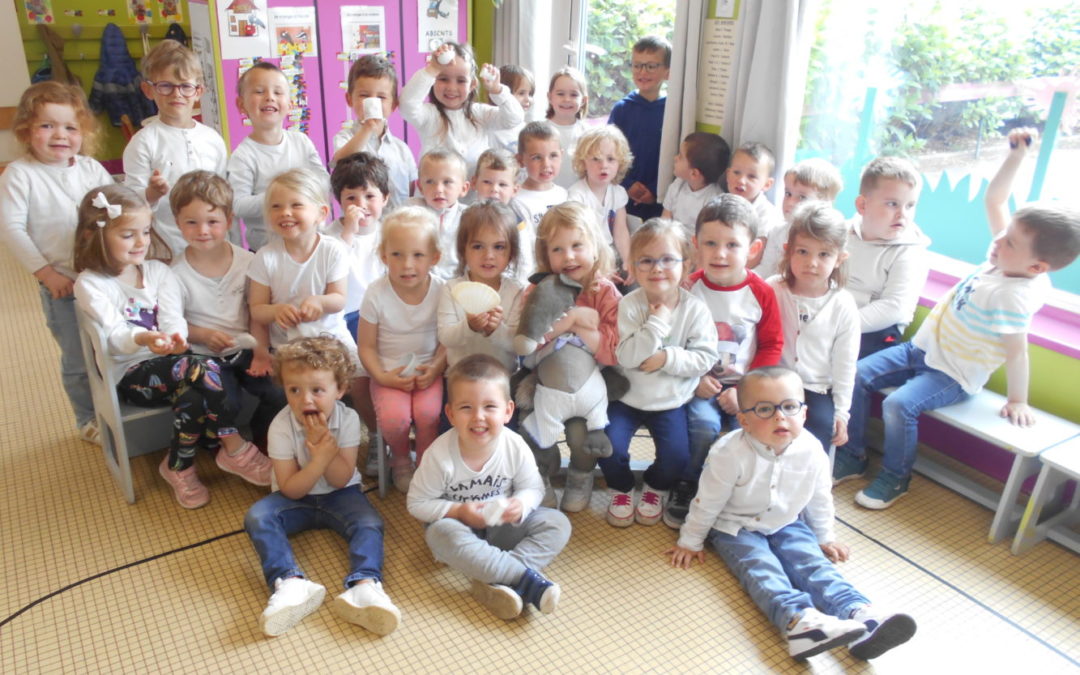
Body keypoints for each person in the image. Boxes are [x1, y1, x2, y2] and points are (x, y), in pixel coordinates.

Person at [834, 129, 1080, 508]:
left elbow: (1018, 352)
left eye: (1010, 241)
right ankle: (852, 454)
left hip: (952, 374)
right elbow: (995, 198)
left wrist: (1018, 400)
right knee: (854, 375)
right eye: (1005, 234)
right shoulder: (1005, 259)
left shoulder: (1015, 294)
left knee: (899, 405)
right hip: (920, 350)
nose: (998, 241)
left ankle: (896, 477)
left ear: (1036, 266)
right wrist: (1015, 158)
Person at [666, 367, 917, 662]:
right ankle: (799, 623)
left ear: (804, 413)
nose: (779, 417)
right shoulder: (728, 452)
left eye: (789, 407)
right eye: (764, 409)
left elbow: (820, 496)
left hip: (787, 522)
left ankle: (861, 615)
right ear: (743, 420)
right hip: (735, 527)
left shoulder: (811, 449)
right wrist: (690, 541)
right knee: (762, 568)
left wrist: (825, 536)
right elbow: (706, 501)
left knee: (811, 563)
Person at [73, 184, 264, 509]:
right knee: (202, 367)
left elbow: (174, 318)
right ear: (97, 235)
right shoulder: (90, 284)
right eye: (128, 235)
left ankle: (178, 467)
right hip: (130, 376)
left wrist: (175, 338)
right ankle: (235, 449)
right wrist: (146, 339)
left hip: (177, 365)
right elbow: (116, 336)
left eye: (145, 232)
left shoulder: (158, 271)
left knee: (193, 391)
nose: (141, 242)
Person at [244, 336, 400, 637]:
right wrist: (319, 458)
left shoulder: (349, 419)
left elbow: (341, 479)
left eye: (317, 390)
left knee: (369, 523)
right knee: (257, 517)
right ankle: (289, 582)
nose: (306, 401)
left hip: (341, 494)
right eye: (294, 390)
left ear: (340, 390)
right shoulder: (280, 425)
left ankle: (365, 585)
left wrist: (327, 453)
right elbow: (291, 489)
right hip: (295, 498)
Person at [407, 354, 570, 620]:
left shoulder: (514, 445)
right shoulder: (439, 455)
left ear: (507, 411)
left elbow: (533, 488)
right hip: (460, 529)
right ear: (450, 413)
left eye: (489, 407)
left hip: (502, 526)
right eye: (466, 408)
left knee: (558, 523)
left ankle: (494, 581)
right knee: (439, 533)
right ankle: (523, 580)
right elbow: (417, 504)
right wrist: (459, 512)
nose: (478, 417)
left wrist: (522, 504)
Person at [0, 81, 113, 444]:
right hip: (62, 285)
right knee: (79, 360)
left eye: (70, 127)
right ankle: (86, 418)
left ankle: (116, 406)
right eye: (47, 125)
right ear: (26, 130)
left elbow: (116, 209)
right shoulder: (20, 175)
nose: (59, 135)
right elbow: (12, 229)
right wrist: (46, 273)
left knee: (110, 348)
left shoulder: (91, 168)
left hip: (105, 280)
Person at [666, 194, 783, 528]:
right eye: (711, 243)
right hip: (699, 383)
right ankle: (689, 485)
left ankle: (743, 495)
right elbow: (675, 339)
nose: (720, 253)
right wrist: (694, 378)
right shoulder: (689, 287)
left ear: (754, 248)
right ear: (696, 245)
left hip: (746, 388)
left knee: (748, 433)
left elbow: (772, 344)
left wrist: (747, 391)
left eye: (732, 244)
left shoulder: (761, 292)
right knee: (705, 426)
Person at [598, 219, 717, 525]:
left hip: (670, 401)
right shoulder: (630, 305)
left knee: (677, 456)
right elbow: (627, 357)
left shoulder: (695, 309)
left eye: (667, 259)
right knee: (608, 446)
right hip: (627, 396)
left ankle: (655, 487)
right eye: (646, 261)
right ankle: (621, 487)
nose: (657, 268)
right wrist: (657, 324)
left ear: (685, 264)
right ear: (634, 268)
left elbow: (704, 359)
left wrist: (667, 357)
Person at [169, 171, 286, 452]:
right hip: (202, 358)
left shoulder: (249, 261)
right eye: (192, 223)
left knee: (279, 391)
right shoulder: (173, 273)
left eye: (212, 222)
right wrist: (203, 334)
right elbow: (173, 323)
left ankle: (264, 438)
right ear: (177, 223)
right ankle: (216, 443)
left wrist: (261, 351)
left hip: (247, 349)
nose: (203, 231)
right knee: (224, 402)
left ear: (229, 221)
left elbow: (255, 311)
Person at [521, 202, 621, 508]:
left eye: (577, 245)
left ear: (594, 247)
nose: (569, 257)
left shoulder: (605, 292)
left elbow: (613, 351)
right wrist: (570, 320)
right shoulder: (537, 291)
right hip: (544, 388)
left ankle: (581, 476)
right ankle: (541, 478)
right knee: (530, 432)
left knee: (583, 438)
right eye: (558, 250)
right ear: (546, 255)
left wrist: (578, 326)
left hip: (591, 392)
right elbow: (528, 342)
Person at [357, 207, 447, 493]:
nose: (407, 264)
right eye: (397, 255)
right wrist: (382, 377)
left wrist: (435, 368)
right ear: (384, 256)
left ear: (434, 257)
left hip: (428, 371)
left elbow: (447, 340)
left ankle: (425, 463)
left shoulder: (443, 290)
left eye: (418, 255)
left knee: (428, 415)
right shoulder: (375, 293)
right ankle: (399, 460)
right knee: (395, 420)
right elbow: (366, 347)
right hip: (388, 372)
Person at [766, 202, 859, 454]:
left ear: (840, 258)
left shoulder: (843, 305)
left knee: (818, 434)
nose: (812, 263)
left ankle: (809, 490)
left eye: (824, 254)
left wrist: (842, 412)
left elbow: (845, 364)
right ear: (788, 252)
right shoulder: (772, 289)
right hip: (772, 381)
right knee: (764, 430)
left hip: (815, 388)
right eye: (803, 252)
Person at [247, 169, 359, 372]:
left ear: (321, 213)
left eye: (296, 205)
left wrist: (320, 301)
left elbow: (339, 299)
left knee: (360, 375)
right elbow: (257, 310)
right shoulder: (265, 257)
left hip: (333, 340)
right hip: (289, 347)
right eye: (276, 206)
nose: (285, 212)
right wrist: (276, 310)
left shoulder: (332, 250)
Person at [122, 40, 227, 255]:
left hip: (212, 247)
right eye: (166, 86)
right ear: (149, 90)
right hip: (167, 251)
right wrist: (151, 193)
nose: (176, 94)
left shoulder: (212, 139)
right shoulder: (143, 142)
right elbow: (130, 203)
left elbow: (224, 197)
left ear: (198, 91)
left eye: (185, 86)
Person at [325, 152, 390, 475]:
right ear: (338, 201)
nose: (361, 204)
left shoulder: (391, 232)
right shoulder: (330, 237)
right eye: (351, 197)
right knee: (361, 383)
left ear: (385, 198)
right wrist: (348, 232)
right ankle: (378, 435)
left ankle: (405, 433)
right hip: (348, 319)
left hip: (391, 318)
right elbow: (330, 270)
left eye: (370, 196)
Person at [226, 62, 327, 251]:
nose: (269, 97)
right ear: (241, 104)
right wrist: (280, 197)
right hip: (267, 251)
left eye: (278, 92)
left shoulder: (302, 142)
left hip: (309, 246)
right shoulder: (243, 155)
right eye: (259, 91)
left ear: (289, 104)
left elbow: (324, 183)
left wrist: (298, 194)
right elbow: (238, 205)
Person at [845, 156, 930, 357]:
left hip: (877, 329)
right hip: (834, 315)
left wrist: (840, 325)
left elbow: (894, 306)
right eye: (893, 204)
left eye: (910, 206)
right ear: (863, 205)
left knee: (833, 367)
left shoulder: (910, 252)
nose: (903, 214)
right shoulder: (841, 232)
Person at [400, 41, 523, 176]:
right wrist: (432, 69)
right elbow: (407, 104)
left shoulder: (480, 113)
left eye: (461, 81)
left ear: (472, 85)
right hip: (437, 194)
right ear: (433, 80)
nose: (451, 88)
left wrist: (498, 90)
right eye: (443, 79)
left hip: (475, 194)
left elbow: (514, 118)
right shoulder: (429, 115)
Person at [437, 200, 525, 373]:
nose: (489, 256)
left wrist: (496, 329)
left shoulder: (516, 292)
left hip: (502, 378)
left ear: (512, 252)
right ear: (463, 250)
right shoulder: (451, 288)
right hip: (460, 376)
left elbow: (517, 346)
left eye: (499, 247)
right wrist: (469, 326)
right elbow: (446, 338)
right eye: (478, 246)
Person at [332, 53, 417, 209]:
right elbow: (340, 162)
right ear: (349, 99)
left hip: (397, 225)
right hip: (361, 226)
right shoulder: (344, 138)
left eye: (381, 97)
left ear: (393, 105)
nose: (373, 102)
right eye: (364, 96)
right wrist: (368, 127)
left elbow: (413, 190)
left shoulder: (402, 150)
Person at [608, 35, 671, 220]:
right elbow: (609, 152)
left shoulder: (673, 111)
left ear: (667, 72)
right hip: (623, 197)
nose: (643, 72)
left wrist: (654, 190)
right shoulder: (622, 109)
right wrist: (628, 184)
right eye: (637, 65)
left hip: (659, 200)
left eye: (651, 66)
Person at [755, 158, 844, 279]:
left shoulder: (827, 238)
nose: (790, 202)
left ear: (825, 203)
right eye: (788, 194)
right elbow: (765, 268)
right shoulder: (777, 231)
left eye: (802, 197)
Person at [566, 125, 633, 280]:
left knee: (634, 280)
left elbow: (621, 231)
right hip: (588, 254)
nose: (604, 165)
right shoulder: (577, 195)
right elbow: (580, 238)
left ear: (620, 163)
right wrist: (600, 269)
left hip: (611, 251)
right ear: (583, 163)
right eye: (596, 159)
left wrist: (628, 261)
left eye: (611, 159)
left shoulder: (617, 192)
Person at [513, 121, 570, 278]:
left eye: (553, 156)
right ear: (520, 160)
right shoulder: (517, 200)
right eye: (536, 157)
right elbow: (524, 249)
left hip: (567, 268)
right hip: (537, 274)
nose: (546, 165)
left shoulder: (565, 195)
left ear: (561, 155)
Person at [410, 149, 471, 279]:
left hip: (456, 283)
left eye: (447, 182)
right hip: (418, 281)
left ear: (464, 188)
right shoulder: (410, 211)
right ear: (420, 187)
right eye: (430, 182)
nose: (438, 189)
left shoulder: (469, 217)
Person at [661, 131, 730, 239]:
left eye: (680, 156)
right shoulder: (677, 184)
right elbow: (665, 219)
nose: (675, 158)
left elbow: (708, 237)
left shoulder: (714, 201)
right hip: (672, 242)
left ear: (694, 173)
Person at [726, 142, 784, 269]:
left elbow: (755, 258)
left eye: (751, 176)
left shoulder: (766, 214)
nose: (741, 180)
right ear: (727, 174)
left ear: (767, 184)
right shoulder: (722, 203)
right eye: (736, 172)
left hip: (748, 271)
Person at [544, 66, 589, 189]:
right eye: (560, 94)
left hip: (578, 198)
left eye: (574, 95)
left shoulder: (588, 133)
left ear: (583, 100)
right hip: (547, 196)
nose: (567, 99)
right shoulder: (540, 131)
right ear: (550, 97)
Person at [489, 64, 535, 153]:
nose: (528, 99)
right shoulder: (495, 128)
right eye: (521, 93)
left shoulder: (525, 128)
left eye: (530, 94)